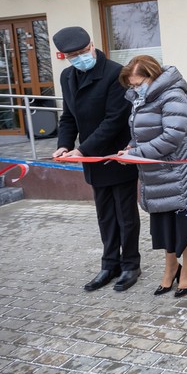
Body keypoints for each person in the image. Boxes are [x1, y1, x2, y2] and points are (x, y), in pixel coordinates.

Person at [52, 26, 141, 292]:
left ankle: (130, 265)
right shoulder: (68, 77)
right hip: (91, 158)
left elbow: (114, 119)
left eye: (83, 52)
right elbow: (68, 116)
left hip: (116, 155)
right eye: (72, 55)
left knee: (125, 214)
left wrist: (82, 150)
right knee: (105, 215)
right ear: (64, 57)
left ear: (92, 45)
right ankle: (109, 264)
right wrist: (64, 145)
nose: (80, 58)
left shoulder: (115, 73)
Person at [117, 56, 187, 298]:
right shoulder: (141, 99)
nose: (135, 89)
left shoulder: (173, 95)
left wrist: (137, 154)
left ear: (152, 76)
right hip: (155, 173)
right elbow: (140, 133)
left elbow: (171, 137)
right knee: (163, 227)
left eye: (138, 83)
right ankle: (170, 268)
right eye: (131, 86)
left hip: (179, 172)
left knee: (184, 225)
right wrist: (130, 148)